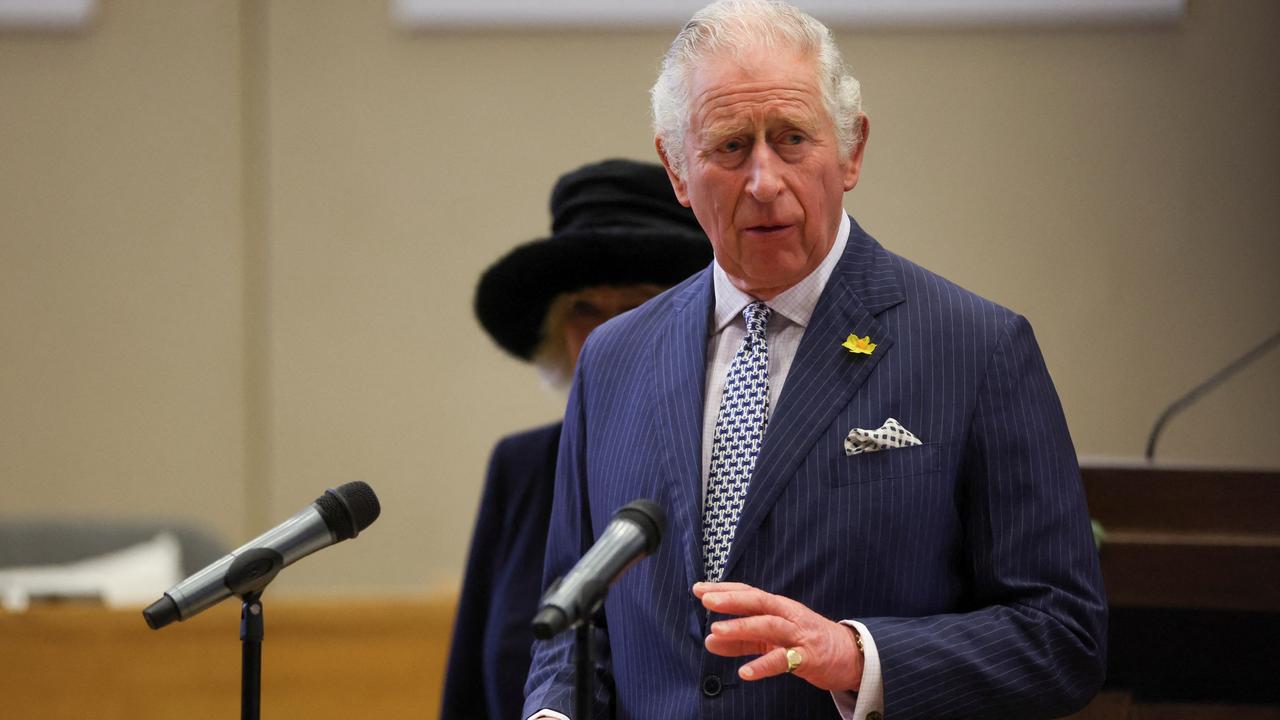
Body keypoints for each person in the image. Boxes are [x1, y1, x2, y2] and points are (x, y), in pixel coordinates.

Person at [523, 2, 1107, 719]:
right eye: (730, 147)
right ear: (677, 170)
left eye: (792, 139)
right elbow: (571, 619)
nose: (764, 180)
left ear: (852, 150)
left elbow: (1063, 634)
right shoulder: (615, 358)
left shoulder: (977, 348)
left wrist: (861, 658)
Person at [441, 159, 713, 720]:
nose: (605, 334)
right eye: (583, 309)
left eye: (636, 304)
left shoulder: (727, 461)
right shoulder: (521, 466)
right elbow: (469, 682)